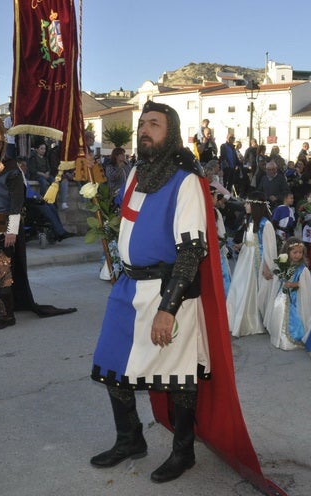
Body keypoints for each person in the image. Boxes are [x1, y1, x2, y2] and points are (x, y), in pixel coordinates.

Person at [89, 101, 277, 490]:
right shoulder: (135, 174)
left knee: (177, 377)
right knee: (110, 365)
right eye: (142, 124)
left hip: (168, 291)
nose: (144, 130)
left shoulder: (185, 180)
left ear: (170, 132)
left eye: (153, 124)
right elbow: (128, 224)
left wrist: (167, 309)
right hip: (128, 288)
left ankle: (183, 450)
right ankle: (130, 439)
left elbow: (192, 249)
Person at [0, 109, 77, 330]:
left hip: (0, 226)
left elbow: (17, 202)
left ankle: (7, 315)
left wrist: (12, 230)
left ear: (3, 145)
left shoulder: (11, 169)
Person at [226, 191, 277, 337]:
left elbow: (269, 247)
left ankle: (251, 320)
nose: (245, 205)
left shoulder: (265, 224)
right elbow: (250, 239)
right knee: (239, 287)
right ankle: (236, 318)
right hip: (245, 258)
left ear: (256, 205)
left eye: (248, 203)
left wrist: (268, 266)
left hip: (256, 260)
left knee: (251, 289)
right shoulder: (249, 220)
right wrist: (242, 244)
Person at [266, 237, 311, 351]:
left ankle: (292, 337)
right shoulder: (284, 265)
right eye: (294, 252)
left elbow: (305, 284)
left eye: (300, 252)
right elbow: (278, 278)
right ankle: (278, 335)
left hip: (295, 298)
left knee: (293, 317)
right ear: (287, 253)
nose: (297, 255)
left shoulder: (303, 269)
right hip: (283, 295)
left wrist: (293, 284)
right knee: (279, 309)